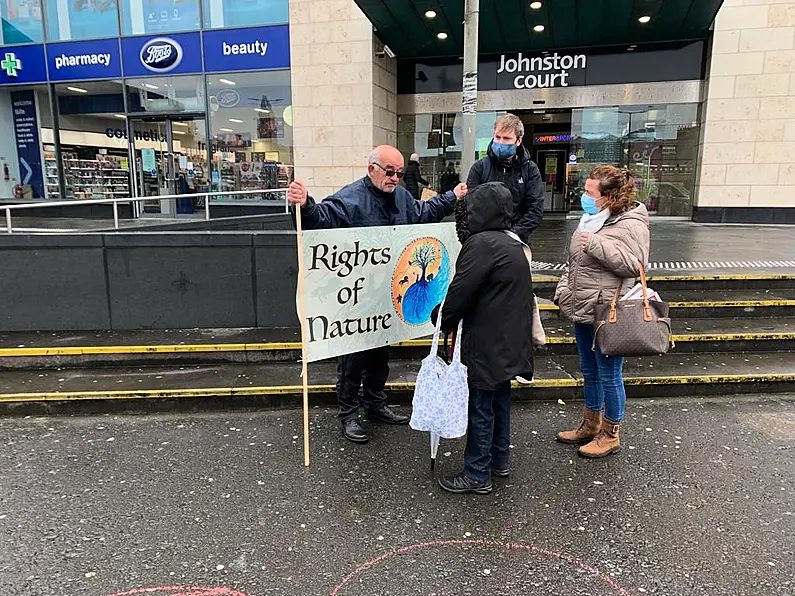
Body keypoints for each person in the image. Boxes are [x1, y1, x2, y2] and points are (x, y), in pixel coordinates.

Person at [287, 145, 468, 444]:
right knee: (353, 358)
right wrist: (305, 205)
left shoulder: (400, 196)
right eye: (389, 172)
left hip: (385, 292)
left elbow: (422, 213)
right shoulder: (351, 198)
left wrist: (452, 197)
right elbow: (319, 220)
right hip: (356, 297)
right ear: (371, 168)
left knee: (380, 354)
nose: (396, 178)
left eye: (399, 172)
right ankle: (348, 413)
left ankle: (374, 401)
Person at [432, 182, 534, 495]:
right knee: (499, 400)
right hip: (509, 341)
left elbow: (460, 292)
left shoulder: (480, 244)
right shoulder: (512, 242)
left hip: (487, 342)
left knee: (480, 406)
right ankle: (498, 460)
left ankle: (477, 473)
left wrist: (441, 317)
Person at [553, 165, 650, 458]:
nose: (583, 195)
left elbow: (636, 265)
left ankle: (611, 433)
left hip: (609, 311)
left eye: (589, 192)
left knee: (609, 373)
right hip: (582, 306)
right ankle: (590, 423)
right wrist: (563, 290)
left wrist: (596, 245)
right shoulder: (592, 219)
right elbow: (574, 262)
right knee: (588, 369)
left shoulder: (632, 223)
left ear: (609, 197)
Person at [463, 113, 545, 243]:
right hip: (484, 242)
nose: (500, 143)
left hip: (517, 241)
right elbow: (468, 206)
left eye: (506, 138)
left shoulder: (530, 170)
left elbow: (535, 210)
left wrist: (514, 234)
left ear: (518, 141)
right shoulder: (480, 168)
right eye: (497, 137)